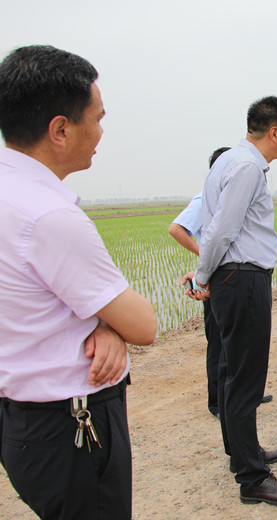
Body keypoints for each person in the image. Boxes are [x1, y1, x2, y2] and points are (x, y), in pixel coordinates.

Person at [0, 45, 157, 519]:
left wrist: (103, 323)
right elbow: (144, 325)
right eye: (97, 118)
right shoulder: (49, 216)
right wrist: (113, 323)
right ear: (61, 130)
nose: (101, 131)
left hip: (21, 423)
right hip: (70, 425)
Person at [183, 96, 277, 506]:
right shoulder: (248, 167)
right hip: (242, 278)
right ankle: (253, 479)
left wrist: (207, 274)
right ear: (274, 131)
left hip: (233, 277)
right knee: (245, 377)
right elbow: (221, 230)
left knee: (231, 371)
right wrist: (202, 275)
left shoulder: (229, 161)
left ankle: (242, 452)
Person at [168, 147, 272, 418]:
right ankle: (218, 402)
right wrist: (205, 262)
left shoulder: (237, 196)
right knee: (220, 344)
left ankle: (243, 394)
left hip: (230, 276)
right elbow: (177, 229)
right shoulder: (205, 199)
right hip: (219, 278)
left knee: (239, 346)